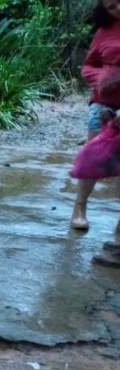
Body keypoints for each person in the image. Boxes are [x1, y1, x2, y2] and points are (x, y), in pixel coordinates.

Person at [73, 0, 120, 230]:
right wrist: (102, 80)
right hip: (103, 103)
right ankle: (80, 207)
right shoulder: (103, 32)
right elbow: (88, 66)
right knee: (94, 157)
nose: (118, 9)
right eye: (112, 7)